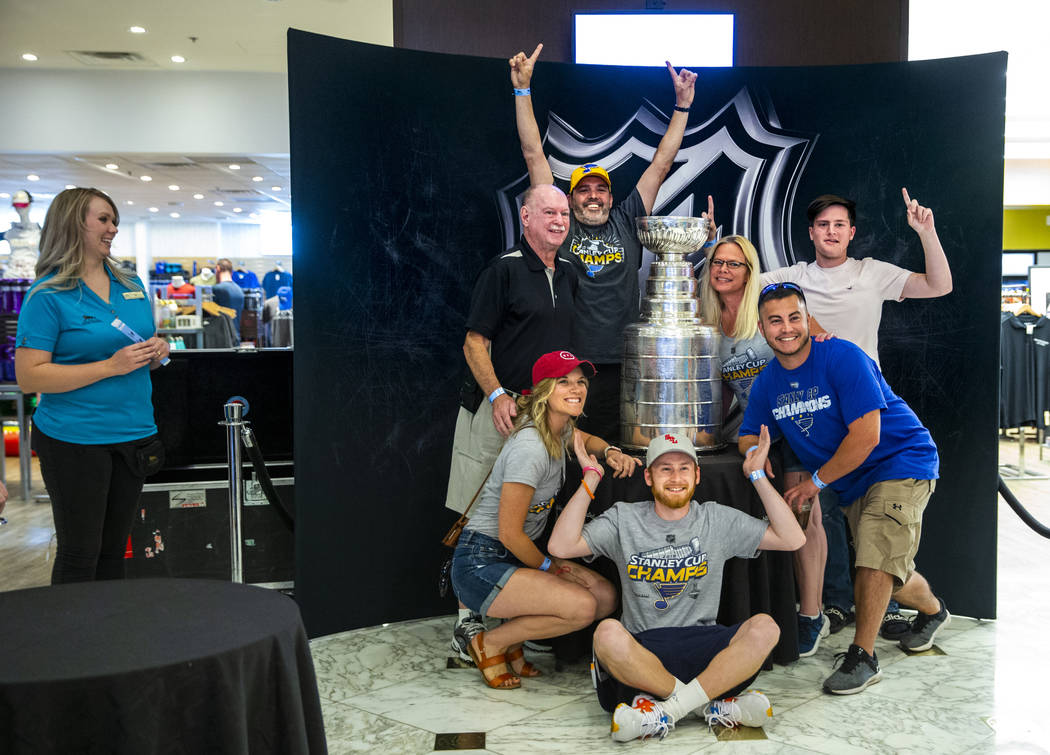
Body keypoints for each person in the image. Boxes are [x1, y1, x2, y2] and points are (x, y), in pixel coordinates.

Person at [761, 189, 953, 647]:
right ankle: (832, 606)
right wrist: (711, 247)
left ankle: (871, 631)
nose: (831, 232)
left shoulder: (872, 274)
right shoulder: (793, 276)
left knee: (874, 544)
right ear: (810, 233)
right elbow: (738, 275)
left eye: (839, 225)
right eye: (822, 225)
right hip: (810, 414)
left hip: (864, 413)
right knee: (822, 522)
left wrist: (927, 232)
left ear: (851, 232)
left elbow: (938, 285)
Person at [739, 282, 950, 695]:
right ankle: (933, 610)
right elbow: (749, 433)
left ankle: (863, 657)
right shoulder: (768, 382)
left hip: (900, 461)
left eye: (794, 317)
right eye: (775, 321)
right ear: (762, 329)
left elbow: (867, 436)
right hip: (854, 480)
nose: (786, 328)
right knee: (890, 568)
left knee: (873, 558)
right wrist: (757, 452)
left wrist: (816, 483)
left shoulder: (842, 356)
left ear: (808, 320)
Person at [509, 44, 713, 441]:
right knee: (570, 450)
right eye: (583, 190)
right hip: (572, 364)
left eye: (599, 189)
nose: (592, 196)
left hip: (627, 362)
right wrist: (522, 90)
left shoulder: (625, 218)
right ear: (568, 199)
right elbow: (533, 154)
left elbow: (661, 164)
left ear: (610, 196)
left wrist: (683, 105)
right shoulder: (561, 224)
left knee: (624, 449)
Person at [548, 428, 804, 741]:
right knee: (606, 634)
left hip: (706, 648)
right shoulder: (624, 519)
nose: (675, 477)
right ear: (648, 477)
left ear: (697, 476)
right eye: (665, 469)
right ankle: (707, 705)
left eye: (684, 469)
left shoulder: (715, 519)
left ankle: (664, 710)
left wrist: (756, 476)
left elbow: (793, 539)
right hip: (643, 651)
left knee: (766, 627)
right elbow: (561, 547)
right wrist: (590, 479)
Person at [450, 350, 637, 689]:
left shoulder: (559, 428)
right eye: (563, 382)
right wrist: (551, 569)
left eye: (580, 382)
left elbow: (585, 439)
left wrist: (609, 451)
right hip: (482, 562)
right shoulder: (530, 448)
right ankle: (488, 644)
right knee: (581, 606)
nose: (576, 388)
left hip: (514, 558)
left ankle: (512, 641)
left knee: (605, 597)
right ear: (543, 391)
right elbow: (509, 534)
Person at [15, 187, 170, 583]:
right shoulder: (48, 294)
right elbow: (29, 375)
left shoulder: (130, 282)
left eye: (114, 220)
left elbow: (139, 350)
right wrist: (109, 366)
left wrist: (155, 352)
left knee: (114, 552)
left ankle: (107, 640)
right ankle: (72, 642)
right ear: (73, 224)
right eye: (104, 219)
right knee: (80, 555)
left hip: (133, 434)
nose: (113, 228)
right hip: (75, 439)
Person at [698, 235, 775, 442]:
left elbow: (817, 350)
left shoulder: (771, 308)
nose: (723, 269)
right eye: (718, 262)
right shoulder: (709, 325)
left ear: (748, 274)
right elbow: (722, 392)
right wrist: (706, 439)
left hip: (794, 426)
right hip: (756, 435)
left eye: (733, 264)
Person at [212, 257, 245, 337]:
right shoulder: (239, 290)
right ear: (231, 272)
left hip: (222, 339)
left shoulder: (217, 289)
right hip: (235, 336)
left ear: (218, 268)